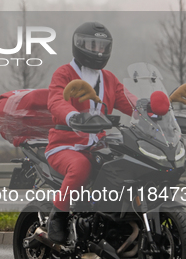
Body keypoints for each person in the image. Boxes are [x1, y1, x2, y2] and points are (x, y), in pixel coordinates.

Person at [45, 22, 134, 244]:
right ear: (78, 45)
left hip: (99, 145)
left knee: (125, 164)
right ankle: (58, 214)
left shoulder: (110, 79)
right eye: (92, 45)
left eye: (103, 46)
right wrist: (72, 115)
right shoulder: (64, 74)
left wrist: (154, 110)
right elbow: (56, 100)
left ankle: (112, 219)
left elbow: (130, 102)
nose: (98, 51)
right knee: (80, 167)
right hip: (65, 145)